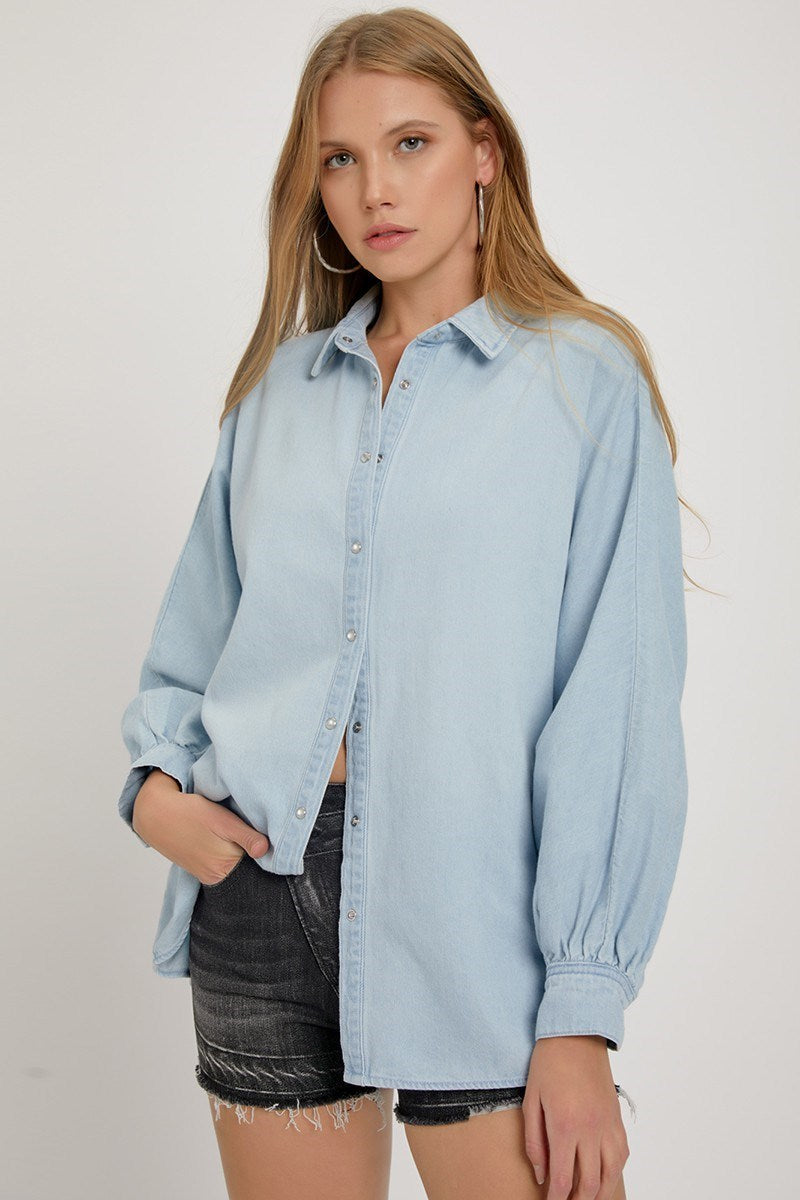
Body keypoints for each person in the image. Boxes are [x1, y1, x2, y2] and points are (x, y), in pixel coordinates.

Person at [119, 9, 692, 1199]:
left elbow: (615, 705)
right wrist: (155, 795)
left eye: (410, 143)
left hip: (477, 915)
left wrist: (579, 1008)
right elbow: (195, 646)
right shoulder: (276, 393)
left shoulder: (582, 382)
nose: (373, 188)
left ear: (484, 151)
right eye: (339, 158)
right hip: (259, 892)